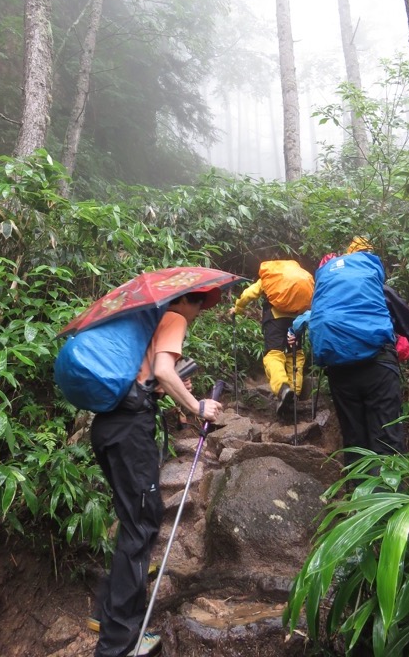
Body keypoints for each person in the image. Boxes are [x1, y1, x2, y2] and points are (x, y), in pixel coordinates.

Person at [90, 290, 223, 657]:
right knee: (143, 524)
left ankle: (107, 613)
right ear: (187, 301)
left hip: (107, 427)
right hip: (130, 433)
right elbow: (164, 370)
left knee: (133, 520)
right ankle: (118, 644)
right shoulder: (173, 318)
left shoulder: (142, 324)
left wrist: (168, 392)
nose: (198, 314)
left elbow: (150, 378)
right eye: (200, 306)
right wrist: (197, 406)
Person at [291, 237, 409, 464]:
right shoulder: (377, 289)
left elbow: (312, 317)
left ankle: (356, 493)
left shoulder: (328, 295)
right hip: (378, 365)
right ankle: (389, 496)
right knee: (386, 435)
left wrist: (293, 331)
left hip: (339, 369)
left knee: (353, 437)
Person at [230, 270, 307, 417]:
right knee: (295, 355)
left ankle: (283, 388)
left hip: (275, 319)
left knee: (274, 355)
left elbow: (248, 294)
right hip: (297, 319)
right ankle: (295, 393)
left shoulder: (270, 277)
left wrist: (238, 309)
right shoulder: (299, 279)